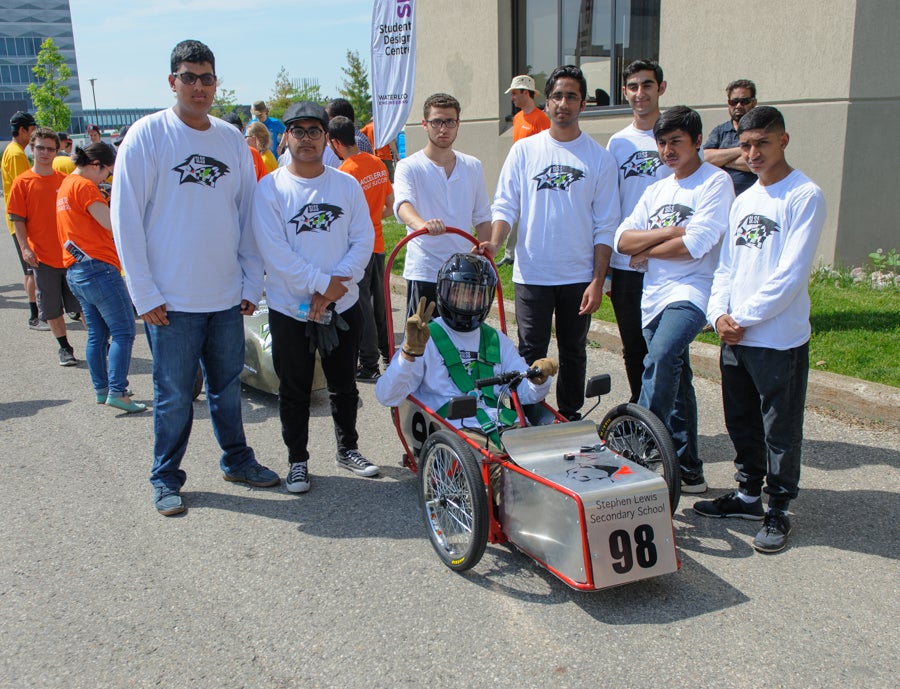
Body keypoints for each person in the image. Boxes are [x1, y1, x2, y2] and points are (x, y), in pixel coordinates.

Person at [112, 39, 279, 517]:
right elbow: (125, 220)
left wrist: (251, 283)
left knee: (227, 387)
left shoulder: (230, 138)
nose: (199, 86)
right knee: (173, 395)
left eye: (207, 77)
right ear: (172, 82)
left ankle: (237, 460)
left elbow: (248, 216)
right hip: (170, 300)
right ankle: (165, 476)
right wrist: (143, 292)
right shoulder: (147, 136)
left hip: (225, 295)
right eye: (189, 76)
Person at [696, 106, 826, 554]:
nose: (752, 153)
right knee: (742, 421)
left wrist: (742, 319)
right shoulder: (745, 198)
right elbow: (726, 266)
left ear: (783, 141)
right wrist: (718, 316)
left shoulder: (804, 195)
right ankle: (749, 495)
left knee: (780, 428)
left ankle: (778, 509)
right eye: (746, 144)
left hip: (777, 337)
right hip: (736, 335)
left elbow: (790, 276)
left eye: (761, 144)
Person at [479, 65, 620, 421]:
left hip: (578, 277)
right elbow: (506, 204)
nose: (563, 103)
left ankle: (570, 415)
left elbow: (606, 226)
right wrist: (495, 243)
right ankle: (529, 413)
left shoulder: (599, 158)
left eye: (572, 96)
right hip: (532, 275)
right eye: (557, 95)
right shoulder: (525, 151)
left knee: (573, 351)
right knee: (530, 352)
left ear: (583, 104)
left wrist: (598, 280)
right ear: (547, 100)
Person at [251, 101, 377, 494]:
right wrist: (324, 285)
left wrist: (336, 286)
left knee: (344, 384)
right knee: (295, 389)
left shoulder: (346, 185)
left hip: (343, 304)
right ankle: (298, 461)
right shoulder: (270, 188)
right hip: (292, 309)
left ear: (327, 137)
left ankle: (348, 448)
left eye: (314, 131)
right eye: (298, 131)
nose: (306, 139)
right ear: (285, 136)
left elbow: (363, 239)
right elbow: (276, 254)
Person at [614, 106, 733, 494]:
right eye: (662, 143)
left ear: (698, 141)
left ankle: (638, 443)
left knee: (662, 357)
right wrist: (671, 230)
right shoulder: (657, 188)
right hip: (654, 298)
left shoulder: (715, 183)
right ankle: (690, 469)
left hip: (692, 292)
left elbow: (696, 246)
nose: (667, 150)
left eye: (675, 142)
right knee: (677, 382)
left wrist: (648, 249)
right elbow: (621, 240)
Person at [376, 253, 557, 440]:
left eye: (476, 294)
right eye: (458, 292)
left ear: (487, 298)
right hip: (452, 433)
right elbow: (387, 396)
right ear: (443, 292)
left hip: (502, 425)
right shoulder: (423, 338)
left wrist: (539, 380)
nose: (467, 300)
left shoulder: (495, 339)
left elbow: (526, 394)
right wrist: (408, 354)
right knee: (503, 464)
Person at [58, 142, 146, 413]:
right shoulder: (85, 187)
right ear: (96, 165)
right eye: (107, 172)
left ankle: (103, 388)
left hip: (76, 270)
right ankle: (117, 391)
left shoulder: (65, 185)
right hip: (99, 269)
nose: (107, 178)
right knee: (123, 331)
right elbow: (110, 223)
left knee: (97, 333)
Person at [606, 59, 673, 402]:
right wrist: (603, 272)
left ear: (660, 88)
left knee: (667, 349)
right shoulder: (617, 143)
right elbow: (608, 205)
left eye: (647, 85)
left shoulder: (676, 136)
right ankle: (643, 414)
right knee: (634, 347)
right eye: (633, 87)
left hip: (669, 261)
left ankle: (672, 421)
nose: (640, 93)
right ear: (624, 92)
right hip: (626, 263)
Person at [393, 92, 491, 316]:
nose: (443, 128)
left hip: (464, 273)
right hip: (425, 270)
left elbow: (483, 216)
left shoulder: (472, 166)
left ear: (458, 124)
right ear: (425, 125)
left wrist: (485, 248)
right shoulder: (409, 166)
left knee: (462, 341)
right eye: (437, 121)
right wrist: (421, 225)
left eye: (450, 122)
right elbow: (403, 205)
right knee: (421, 342)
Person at [328, 115, 394, 381]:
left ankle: (368, 365)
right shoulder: (377, 162)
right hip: (378, 243)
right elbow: (390, 205)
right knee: (380, 303)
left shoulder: (344, 173)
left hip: (358, 247)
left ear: (334, 143)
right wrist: (374, 218)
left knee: (362, 305)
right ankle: (389, 354)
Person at [8, 127, 80, 366]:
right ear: (32, 148)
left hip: (70, 256)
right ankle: (65, 347)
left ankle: (101, 344)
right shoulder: (22, 183)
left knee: (82, 306)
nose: (45, 153)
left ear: (57, 151)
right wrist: (24, 248)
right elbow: (18, 219)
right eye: (41, 148)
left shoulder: (66, 181)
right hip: (42, 257)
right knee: (51, 308)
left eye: (51, 149)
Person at [496, 74, 551, 268]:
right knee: (512, 210)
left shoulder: (541, 118)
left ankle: (528, 250)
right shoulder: (518, 118)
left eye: (515, 93)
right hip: (518, 173)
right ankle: (509, 253)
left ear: (526, 93)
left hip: (534, 175)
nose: (512, 97)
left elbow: (547, 149)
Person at [2, 110, 43, 330]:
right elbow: (25, 188)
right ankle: (35, 316)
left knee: (30, 269)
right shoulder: (17, 154)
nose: (34, 132)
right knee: (32, 269)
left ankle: (37, 314)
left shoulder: (12, 151)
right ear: (22, 130)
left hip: (18, 221)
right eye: (32, 128)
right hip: (22, 222)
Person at [702, 79, 759, 195]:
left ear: (754, 103)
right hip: (720, 197)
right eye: (734, 102)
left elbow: (756, 163)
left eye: (744, 101)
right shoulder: (720, 131)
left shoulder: (760, 131)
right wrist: (741, 150)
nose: (738, 106)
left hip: (750, 197)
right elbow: (704, 158)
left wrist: (722, 160)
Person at [221, 112, 267, 180]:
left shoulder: (253, 153)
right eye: (228, 132)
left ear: (242, 131)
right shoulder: (217, 155)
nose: (232, 136)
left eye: (235, 131)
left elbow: (264, 183)